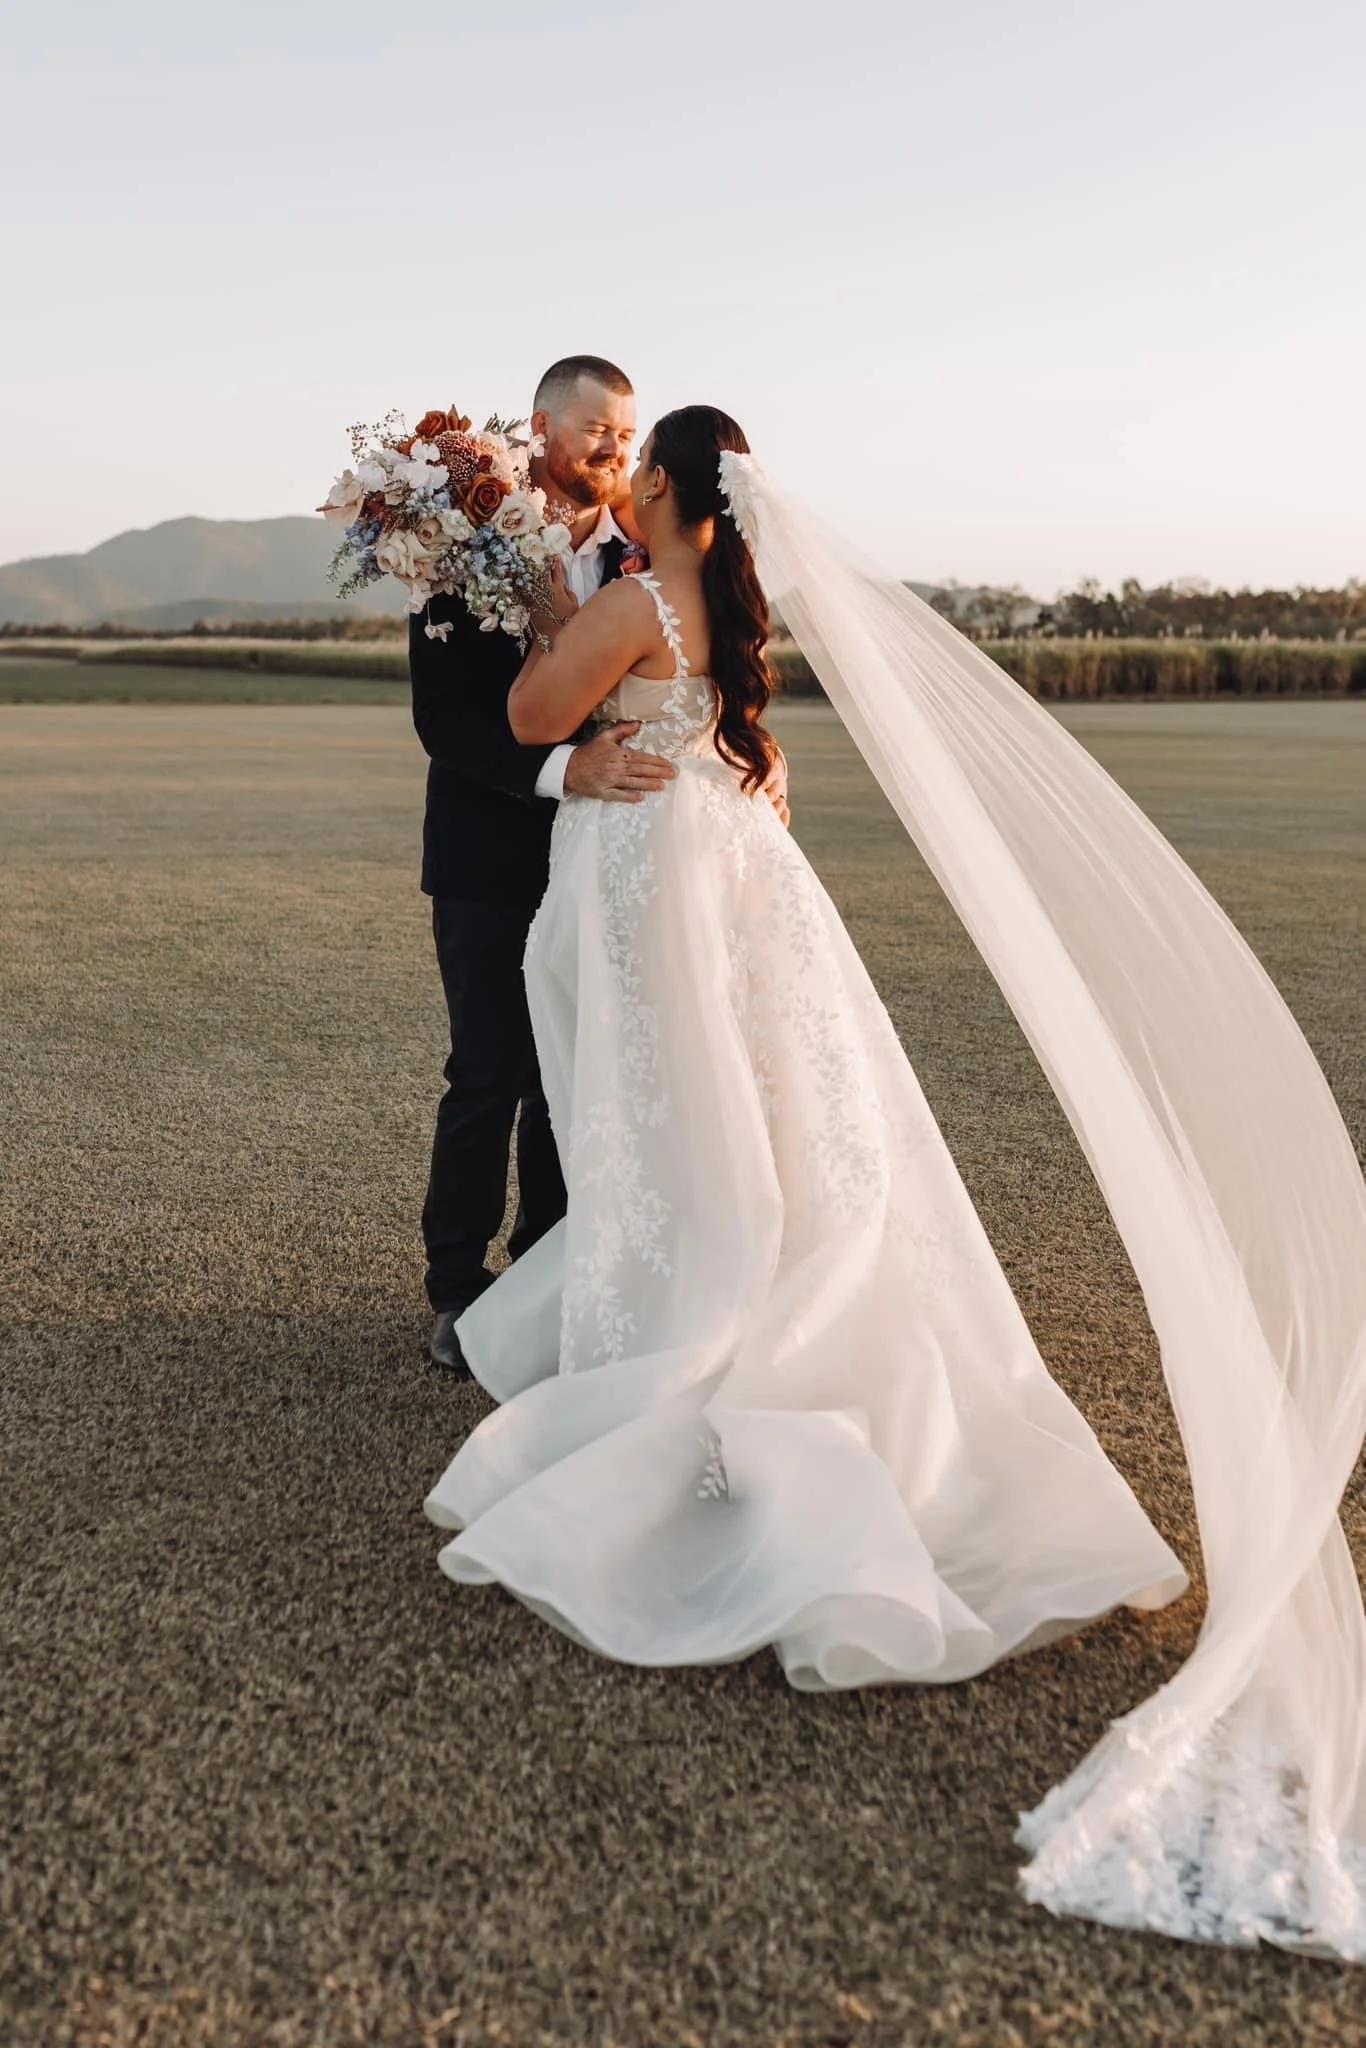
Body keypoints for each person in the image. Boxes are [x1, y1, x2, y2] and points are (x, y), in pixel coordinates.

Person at [424, 403, 1186, 1685]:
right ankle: (731, 1262)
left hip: (655, 873)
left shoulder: (632, 602)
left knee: (660, 1096)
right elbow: (711, 727)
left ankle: (687, 1309)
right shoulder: (726, 600)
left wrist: (550, 631)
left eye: (635, 459)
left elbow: (523, 716)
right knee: (746, 1091)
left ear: (658, 481)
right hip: (734, 861)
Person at [408, 356, 676, 1377]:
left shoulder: (642, 558)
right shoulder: (456, 547)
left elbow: (696, 664)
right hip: (488, 854)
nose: (613, 450)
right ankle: (456, 1286)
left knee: (576, 1072)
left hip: (606, 856)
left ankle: (546, 1273)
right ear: (540, 427)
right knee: (489, 1072)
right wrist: (567, 768)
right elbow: (448, 723)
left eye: (626, 433)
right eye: (596, 430)